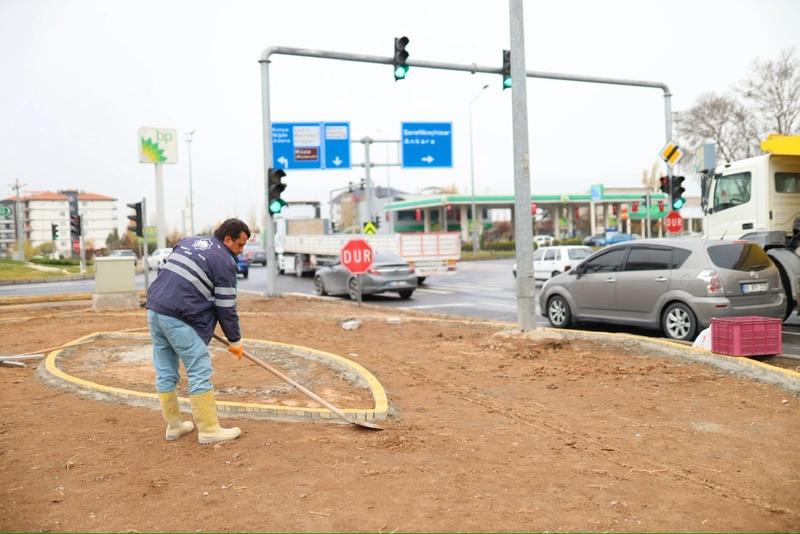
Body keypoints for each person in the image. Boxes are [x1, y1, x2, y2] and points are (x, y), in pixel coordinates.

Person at [146, 218, 250, 444]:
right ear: (227, 239)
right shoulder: (224, 261)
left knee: (165, 371)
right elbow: (225, 306)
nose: (241, 251)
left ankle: (174, 426)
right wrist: (235, 340)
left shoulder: (188, 242)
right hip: (178, 317)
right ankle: (210, 430)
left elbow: (164, 271)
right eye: (239, 245)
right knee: (199, 369)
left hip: (155, 310)